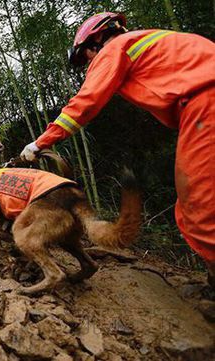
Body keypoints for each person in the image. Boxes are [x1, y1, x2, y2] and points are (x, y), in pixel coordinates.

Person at [19, 12, 215, 286]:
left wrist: (41, 142)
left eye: (85, 54)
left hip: (206, 106)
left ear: (98, 38)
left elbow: (85, 102)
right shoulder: (158, 41)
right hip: (201, 106)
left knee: (200, 211)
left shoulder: (115, 48)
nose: (89, 61)